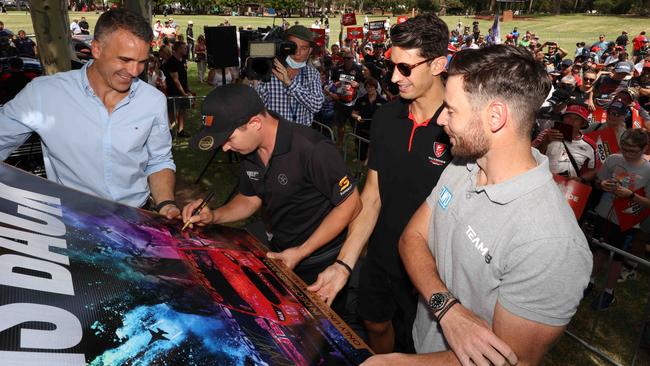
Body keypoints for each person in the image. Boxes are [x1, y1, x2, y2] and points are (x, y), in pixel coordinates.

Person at [363, 45, 592, 366]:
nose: (441, 118)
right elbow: (410, 239)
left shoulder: (551, 243)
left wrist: (392, 363)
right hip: (421, 345)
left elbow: (509, 360)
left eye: (452, 110)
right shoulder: (462, 166)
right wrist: (447, 310)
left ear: (495, 117)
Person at [307, 13, 452, 354]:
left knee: (425, 349)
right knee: (374, 322)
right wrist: (344, 264)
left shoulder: (460, 127)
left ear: (438, 64)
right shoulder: (387, 118)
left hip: (433, 266)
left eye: (405, 68)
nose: (393, 77)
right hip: (382, 254)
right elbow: (371, 197)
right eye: (392, 65)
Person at [183, 84, 361, 316]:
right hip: (282, 254)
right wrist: (214, 215)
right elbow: (250, 198)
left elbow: (351, 204)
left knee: (322, 335)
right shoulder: (249, 150)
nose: (225, 148)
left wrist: (301, 251)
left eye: (228, 138)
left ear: (255, 123)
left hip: (322, 262)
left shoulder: (312, 148)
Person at [0, 9, 180, 218]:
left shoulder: (153, 101)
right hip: (72, 223)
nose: (134, 71)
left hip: (137, 219)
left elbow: (159, 160)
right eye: (124, 59)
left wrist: (166, 204)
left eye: (142, 62)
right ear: (96, 49)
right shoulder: (44, 94)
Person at [586, 129, 650, 310]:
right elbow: (598, 181)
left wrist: (631, 195)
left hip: (628, 222)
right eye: (625, 149)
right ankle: (590, 281)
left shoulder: (648, 170)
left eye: (633, 151)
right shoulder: (613, 159)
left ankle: (608, 292)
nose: (628, 154)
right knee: (599, 250)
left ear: (644, 148)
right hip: (604, 213)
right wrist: (601, 185)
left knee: (617, 259)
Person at [256, 25, 323, 126]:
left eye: (303, 48)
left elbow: (316, 105)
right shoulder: (271, 71)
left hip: (301, 135)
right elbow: (256, 106)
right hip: (275, 136)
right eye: (293, 47)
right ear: (284, 47)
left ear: (309, 51)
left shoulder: (312, 74)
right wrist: (255, 78)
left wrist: (290, 84)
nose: (297, 53)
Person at [163, 41, 192, 138]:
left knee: (183, 110)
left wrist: (187, 90)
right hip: (174, 92)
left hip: (184, 91)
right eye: (184, 48)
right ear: (178, 49)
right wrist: (183, 93)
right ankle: (168, 132)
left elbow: (183, 77)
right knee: (172, 112)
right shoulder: (172, 62)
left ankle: (181, 130)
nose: (186, 50)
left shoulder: (182, 60)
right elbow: (175, 80)